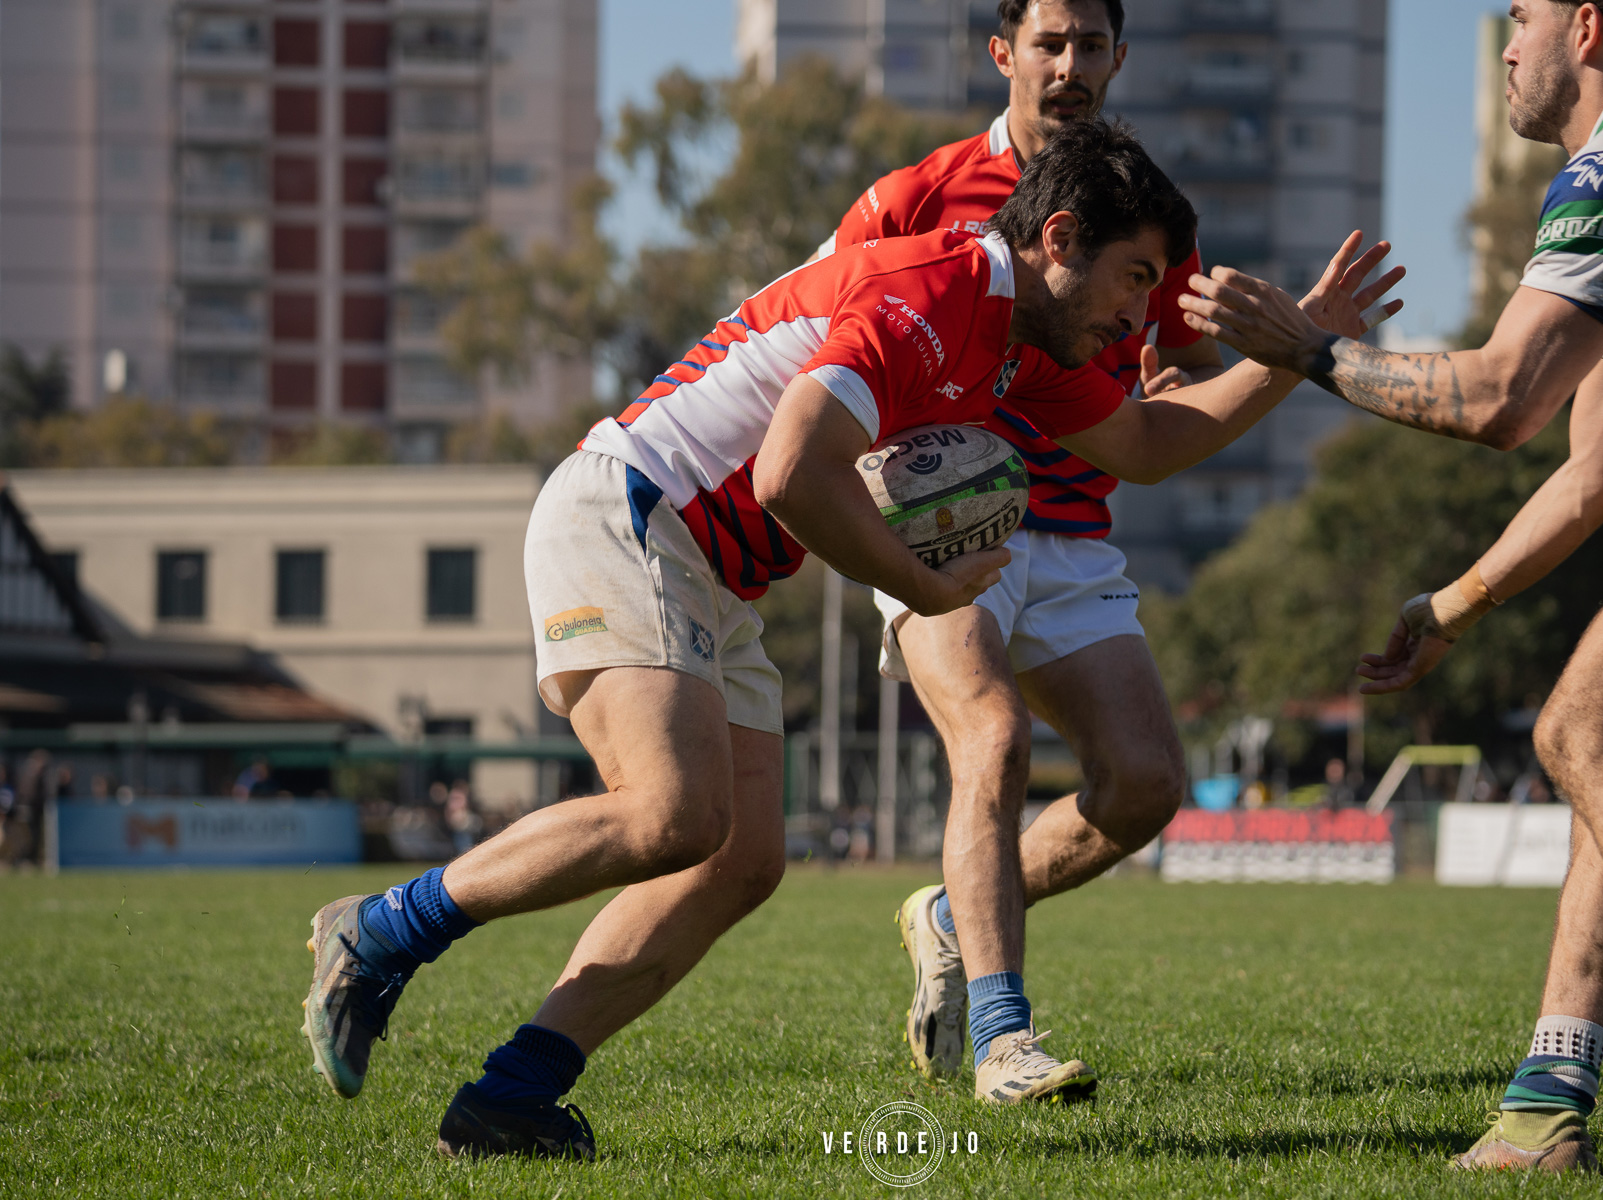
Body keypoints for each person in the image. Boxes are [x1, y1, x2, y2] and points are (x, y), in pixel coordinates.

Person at [297, 118, 1400, 1159]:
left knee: (740, 862)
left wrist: (1307, 351)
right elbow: (787, 472)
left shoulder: (1017, 339)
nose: (1139, 314)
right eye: (1135, 278)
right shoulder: (936, 286)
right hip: (632, 508)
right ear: (1059, 239)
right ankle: (384, 931)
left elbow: (1151, 441)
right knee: (669, 812)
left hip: (713, 575)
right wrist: (921, 585)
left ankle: (509, 1099)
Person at [1183, 1, 1603, 1188]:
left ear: (1584, 25)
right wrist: (1452, 605)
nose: (1502, 46)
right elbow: (1591, 475)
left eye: (1515, 17)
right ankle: (1544, 1109)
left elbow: (1499, 401)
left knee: (1585, 726)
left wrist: (1305, 351)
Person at [817, 0, 1403, 1103]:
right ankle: (1003, 1039)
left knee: (1143, 785)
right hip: (943, 533)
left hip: (1077, 529)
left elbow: (1165, 382)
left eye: (1092, 46)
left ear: (1120, 58)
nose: (1070, 66)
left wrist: (1283, 349)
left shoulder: (1139, 215)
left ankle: (954, 913)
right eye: (1050, 43)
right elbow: (818, 341)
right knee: (989, 740)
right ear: (1004, 54)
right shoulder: (916, 198)